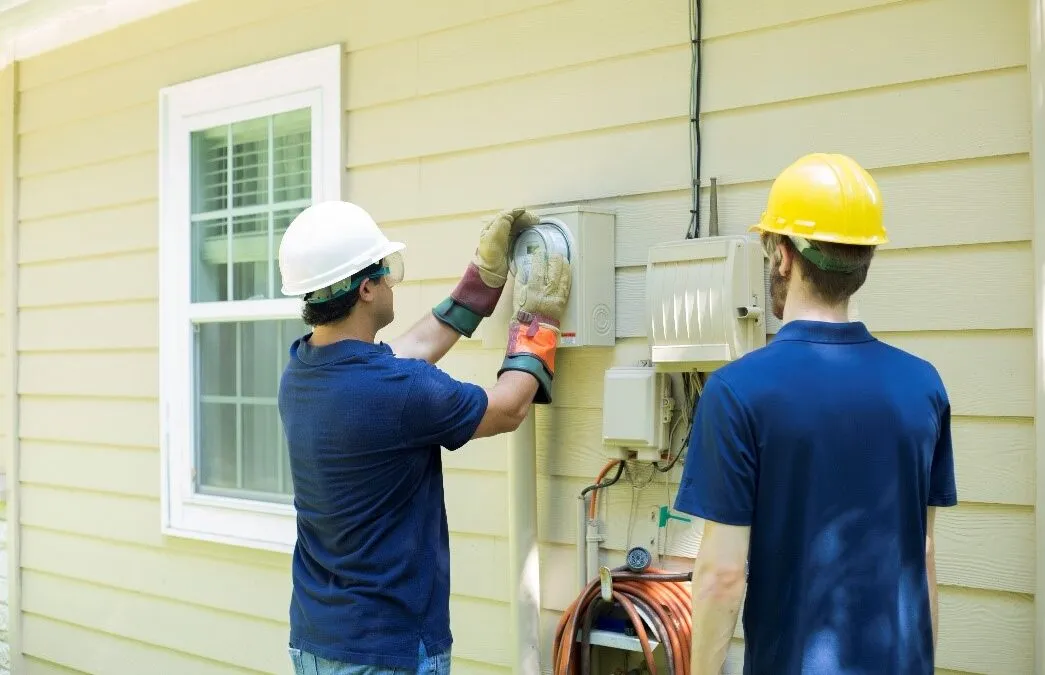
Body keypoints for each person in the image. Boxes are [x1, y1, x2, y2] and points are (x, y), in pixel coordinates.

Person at [673, 153, 957, 675]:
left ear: (783, 256)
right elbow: (924, 554)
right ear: (864, 263)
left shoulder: (737, 392)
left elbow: (721, 576)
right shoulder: (923, 387)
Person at [275, 200, 571, 674]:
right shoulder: (399, 390)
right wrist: (539, 321)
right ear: (366, 288)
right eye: (387, 270)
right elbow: (509, 407)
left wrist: (482, 280)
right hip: (388, 650)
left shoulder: (302, 370)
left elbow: (406, 353)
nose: (393, 281)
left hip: (317, 640)